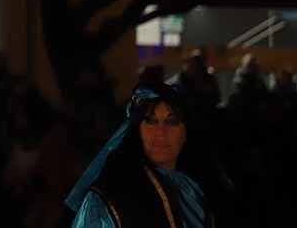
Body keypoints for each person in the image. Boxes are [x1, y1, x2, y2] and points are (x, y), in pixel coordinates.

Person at [65, 83, 231, 228]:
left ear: (186, 131)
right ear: (137, 129)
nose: (160, 132)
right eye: (151, 121)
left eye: (171, 121)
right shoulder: (108, 197)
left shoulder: (204, 190)